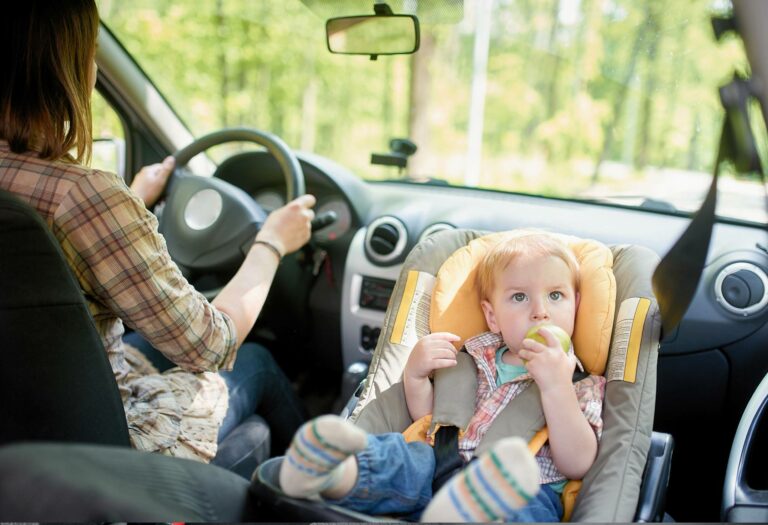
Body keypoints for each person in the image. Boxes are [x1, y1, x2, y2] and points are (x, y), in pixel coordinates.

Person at [0, 1, 314, 476]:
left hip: (19, 423)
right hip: (102, 447)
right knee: (257, 361)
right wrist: (271, 241)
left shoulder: (83, 198)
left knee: (145, 346)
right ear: (68, 67)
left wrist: (128, 201)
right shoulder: (86, 196)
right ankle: (328, 489)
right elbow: (210, 345)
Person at [278, 233, 606, 522]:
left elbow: (577, 463)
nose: (540, 311)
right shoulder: (472, 357)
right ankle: (333, 473)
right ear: (492, 316)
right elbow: (432, 419)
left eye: (555, 295)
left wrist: (556, 387)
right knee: (400, 457)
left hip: (520, 491)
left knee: (526, 508)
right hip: (437, 469)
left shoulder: (581, 383)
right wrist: (416, 377)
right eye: (519, 297)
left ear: (576, 306)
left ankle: (466, 513)